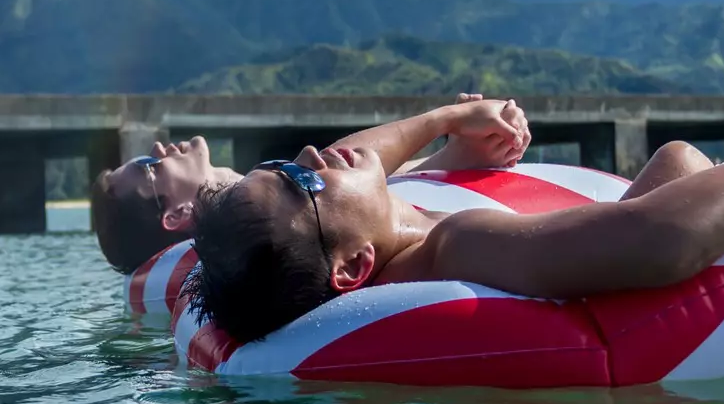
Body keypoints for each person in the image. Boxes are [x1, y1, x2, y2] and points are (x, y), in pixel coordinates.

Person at [185, 123, 724, 346]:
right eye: (302, 182)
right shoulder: (462, 246)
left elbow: (353, 170)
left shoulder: (377, 244)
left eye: (287, 161)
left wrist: (450, 132)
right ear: (355, 267)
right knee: (685, 163)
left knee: (675, 158)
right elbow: (659, 243)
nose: (318, 155)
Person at [89, 98, 533, 273]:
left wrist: (454, 155)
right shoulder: (258, 242)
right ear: (177, 215)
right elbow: (336, 193)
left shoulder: (280, 217)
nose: (161, 148)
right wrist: (444, 120)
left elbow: (360, 193)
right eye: (150, 167)